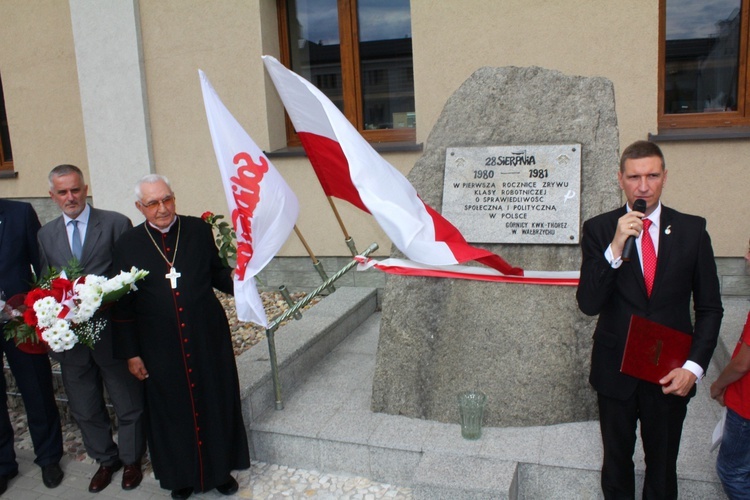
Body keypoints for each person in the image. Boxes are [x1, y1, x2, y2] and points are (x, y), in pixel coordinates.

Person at [576, 140, 724, 499]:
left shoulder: (691, 231)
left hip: (670, 372)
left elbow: (710, 308)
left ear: (664, 177)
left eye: (652, 175)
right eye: (635, 176)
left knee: (662, 465)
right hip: (616, 371)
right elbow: (589, 303)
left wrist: (694, 367)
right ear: (621, 180)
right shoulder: (599, 230)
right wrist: (614, 247)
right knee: (616, 463)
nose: (644, 185)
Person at [111, 174, 249, 499]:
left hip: (206, 337)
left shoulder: (198, 230)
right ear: (139, 207)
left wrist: (242, 280)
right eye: (153, 203)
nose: (162, 209)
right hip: (158, 346)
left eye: (167, 199)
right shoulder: (127, 244)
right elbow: (122, 305)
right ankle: (181, 477)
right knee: (170, 411)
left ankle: (220, 472)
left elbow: (216, 272)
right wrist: (131, 353)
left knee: (214, 400)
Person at [37, 164, 145, 493]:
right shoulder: (46, 234)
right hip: (71, 339)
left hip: (110, 331)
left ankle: (130, 460)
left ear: (86, 189)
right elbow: (46, 282)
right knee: (84, 405)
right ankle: (105, 459)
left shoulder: (114, 223)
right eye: (62, 192)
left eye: (75, 190)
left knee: (126, 399)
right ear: (53, 196)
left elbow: (129, 279)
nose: (70, 197)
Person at [0, 199, 64, 494]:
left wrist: (37, 307)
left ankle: (49, 457)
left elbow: (41, 264)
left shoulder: (20, 212)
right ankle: (3, 464)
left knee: (36, 389)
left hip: (20, 319)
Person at [710, 238, 750, 500]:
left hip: (746, 403)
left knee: (732, 471)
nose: (746, 258)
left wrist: (718, 384)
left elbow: (742, 363)